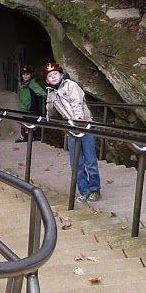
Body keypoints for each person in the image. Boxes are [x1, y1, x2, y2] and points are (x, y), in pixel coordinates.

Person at [42, 61, 101, 201]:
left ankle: (94, 189)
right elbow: (50, 108)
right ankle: (84, 190)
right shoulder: (51, 93)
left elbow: (77, 103)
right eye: (50, 76)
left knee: (90, 160)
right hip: (71, 129)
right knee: (76, 163)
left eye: (55, 74)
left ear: (61, 74)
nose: (54, 77)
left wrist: (79, 120)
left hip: (84, 126)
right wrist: (49, 117)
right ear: (47, 80)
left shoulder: (71, 85)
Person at [15, 64, 48, 142]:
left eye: (28, 74)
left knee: (29, 122)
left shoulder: (32, 84)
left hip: (30, 108)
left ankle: (29, 136)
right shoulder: (23, 84)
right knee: (23, 122)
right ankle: (26, 136)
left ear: (31, 75)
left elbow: (43, 94)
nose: (25, 76)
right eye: (24, 74)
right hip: (23, 107)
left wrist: (39, 98)